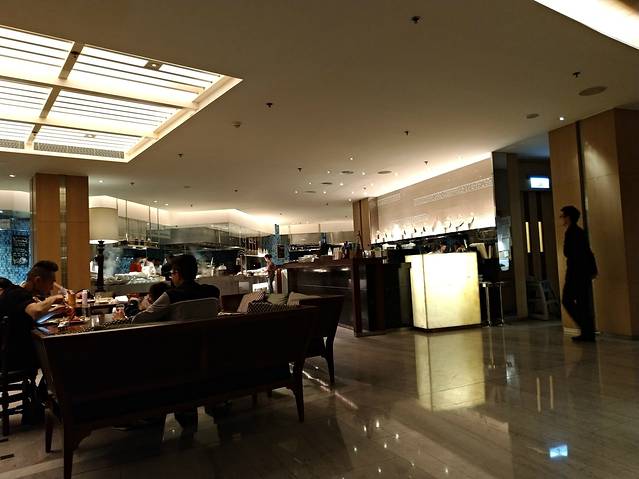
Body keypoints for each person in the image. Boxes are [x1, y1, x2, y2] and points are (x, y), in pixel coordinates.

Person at [132, 254, 219, 324]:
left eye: (172, 273)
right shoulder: (213, 292)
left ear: (177, 273)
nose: (171, 277)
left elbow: (138, 319)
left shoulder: (171, 296)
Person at [560, 205, 598, 342]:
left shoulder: (571, 232)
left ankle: (586, 328)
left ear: (568, 217)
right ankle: (587, 331)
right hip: (584, 272)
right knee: (583, 302)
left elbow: (567, 252)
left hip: (575, 272)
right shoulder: (580, 232)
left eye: (563, 216)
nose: (562, 219)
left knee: (567, 300)